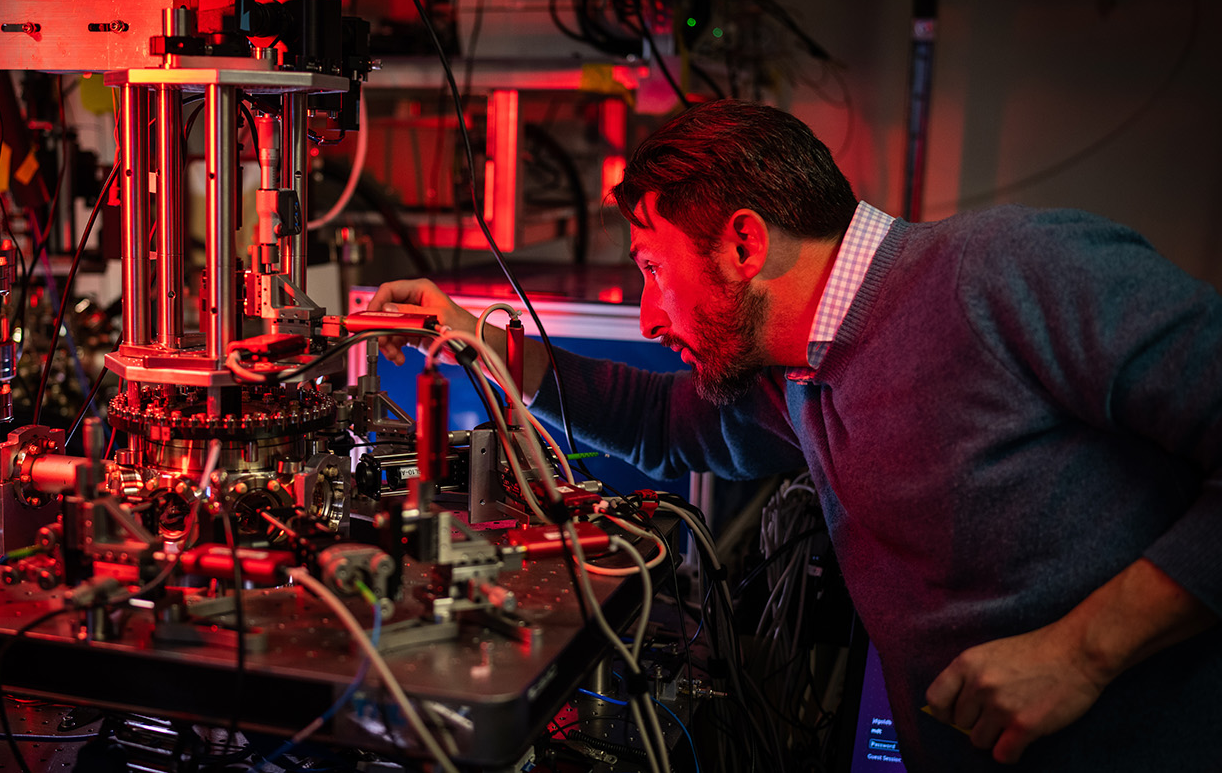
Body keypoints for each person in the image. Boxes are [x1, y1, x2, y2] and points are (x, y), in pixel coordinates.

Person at [368, 100, 1222, 771]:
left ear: (743, 241)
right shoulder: (804, 371)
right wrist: (476, 341)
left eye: (654, 268)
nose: (647, 311)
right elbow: (662, 425)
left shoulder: (1008, 270)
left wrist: (1082, 652)